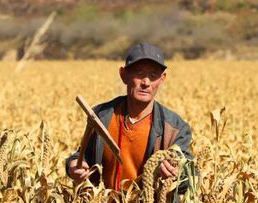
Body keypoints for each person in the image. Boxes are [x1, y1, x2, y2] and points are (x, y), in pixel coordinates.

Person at [65, 43, 194, 191]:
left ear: (162, 79)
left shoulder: (175, 129)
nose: (146, 83)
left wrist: (177, 174)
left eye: (153, 75)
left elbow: (191, 176)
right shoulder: (102, 116)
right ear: (124, 75)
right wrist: (73, 166)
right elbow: (83, 156)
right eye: (139, 73)